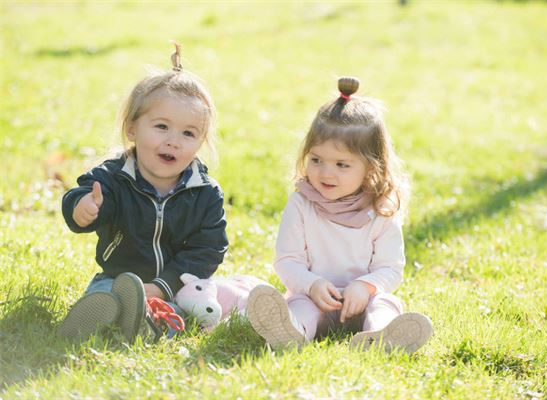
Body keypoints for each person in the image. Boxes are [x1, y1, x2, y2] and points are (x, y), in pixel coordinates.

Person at [246, 77, 432, 353]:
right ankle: (292, 333)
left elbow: (390, 268)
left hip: (363, 302)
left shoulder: (381, 209)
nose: (325, 173)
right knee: (300, 306)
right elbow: (287, 260)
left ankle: (379, 337)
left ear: (371, 169)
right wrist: (312, 284)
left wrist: (365, 286)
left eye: (342, 164)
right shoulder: (301, 203)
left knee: (385, 304)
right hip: (314, 298)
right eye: (316, 160)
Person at [58, 43, 228, 342]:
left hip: (176, 284)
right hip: (118, 277)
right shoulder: (113, 178)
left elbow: (208, 250)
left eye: (188, 133)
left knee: (184, 310)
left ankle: (148, 323)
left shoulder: (205, 193)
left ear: (201, 141)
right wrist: (82, 207)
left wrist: (163, 285)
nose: (174, 141)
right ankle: (106, 316)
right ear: (132, 129)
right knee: (106, 295)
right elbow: (83, 194)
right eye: (162, 127)